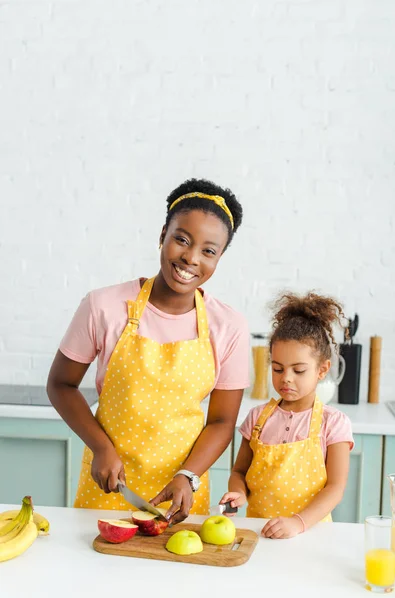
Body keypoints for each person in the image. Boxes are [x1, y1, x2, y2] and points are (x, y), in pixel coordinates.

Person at [47, 178, 250, 525]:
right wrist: (101, 448)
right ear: (163, 235)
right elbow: (60, 385)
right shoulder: (104, 306)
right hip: (108, 486)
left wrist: (189, 475)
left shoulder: (229, 326)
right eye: (181, 239)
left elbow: (221, 422)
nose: (190, 258)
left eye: (208, 251)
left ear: (220, 258)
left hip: (181, 497)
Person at [220, 291, 354, 538]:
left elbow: (335, 488)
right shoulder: (257, 418)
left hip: (311, 534)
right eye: (278, 368)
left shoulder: (333, 423)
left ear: (322, 369)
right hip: (260, 533)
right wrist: (238, 493)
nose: (286, 378)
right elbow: (239, 472)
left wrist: (297, 523)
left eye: (299, 370)